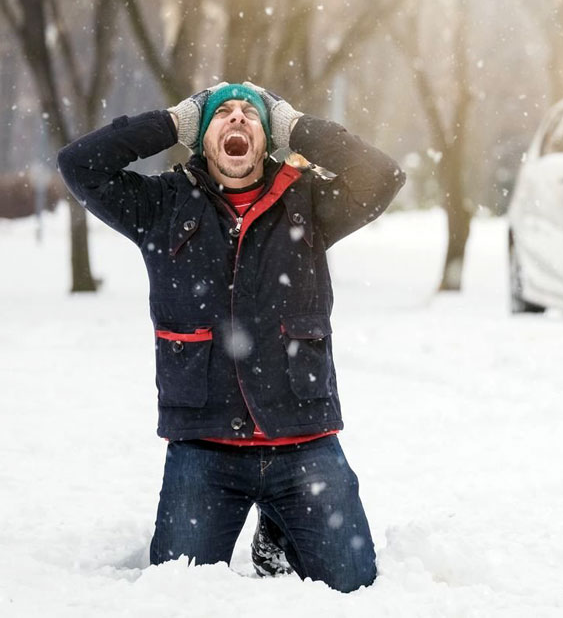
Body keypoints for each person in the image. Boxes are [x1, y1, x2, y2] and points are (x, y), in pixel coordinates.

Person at [57, 82, 406, 592]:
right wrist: (173, 121)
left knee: (354, 589)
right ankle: (274, 522)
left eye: (252, 115)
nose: (237, 119)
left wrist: (296, 126)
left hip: (303, 439)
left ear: (267, 142)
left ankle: (279, 534)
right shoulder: (162, 206)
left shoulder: (307, 201)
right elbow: (78, 165)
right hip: (205, 446)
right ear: (203, 138)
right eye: (222, 114)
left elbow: (382, 177)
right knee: (177, 593)